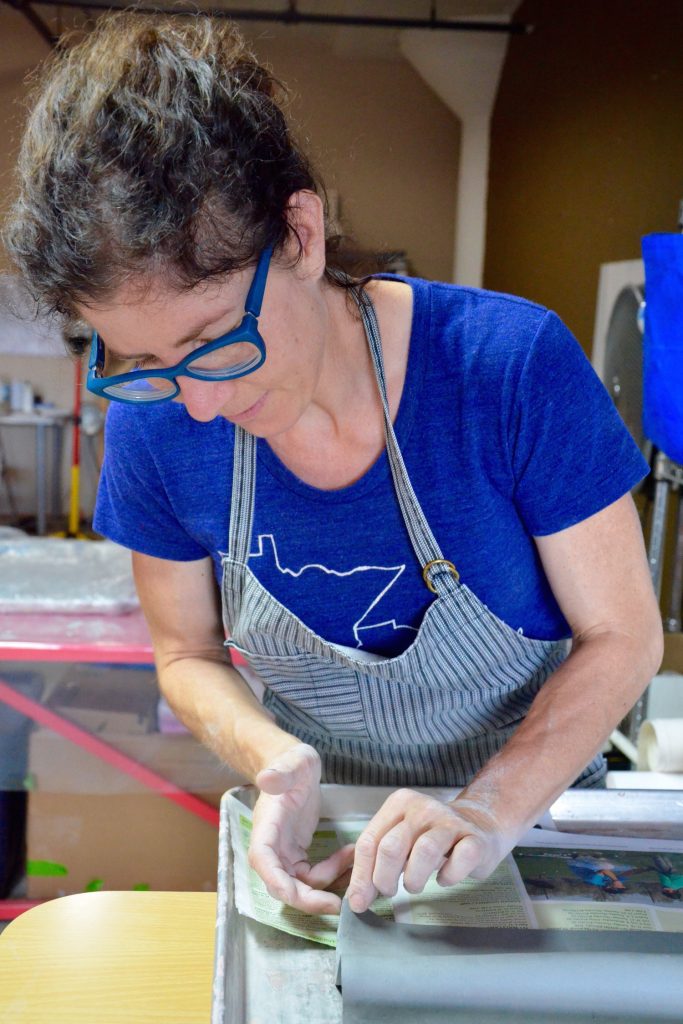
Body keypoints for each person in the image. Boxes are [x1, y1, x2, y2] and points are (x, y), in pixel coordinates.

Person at [4, 14, 663, 916]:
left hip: (531, 817)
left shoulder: (506, 367)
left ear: (302, 236)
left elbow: (625, 638)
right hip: (338, 837)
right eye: (143, 361)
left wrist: (486, 809)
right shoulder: (156, 418)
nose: (197, 403)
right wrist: (275, 763)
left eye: (212, 343)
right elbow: (186, 651)